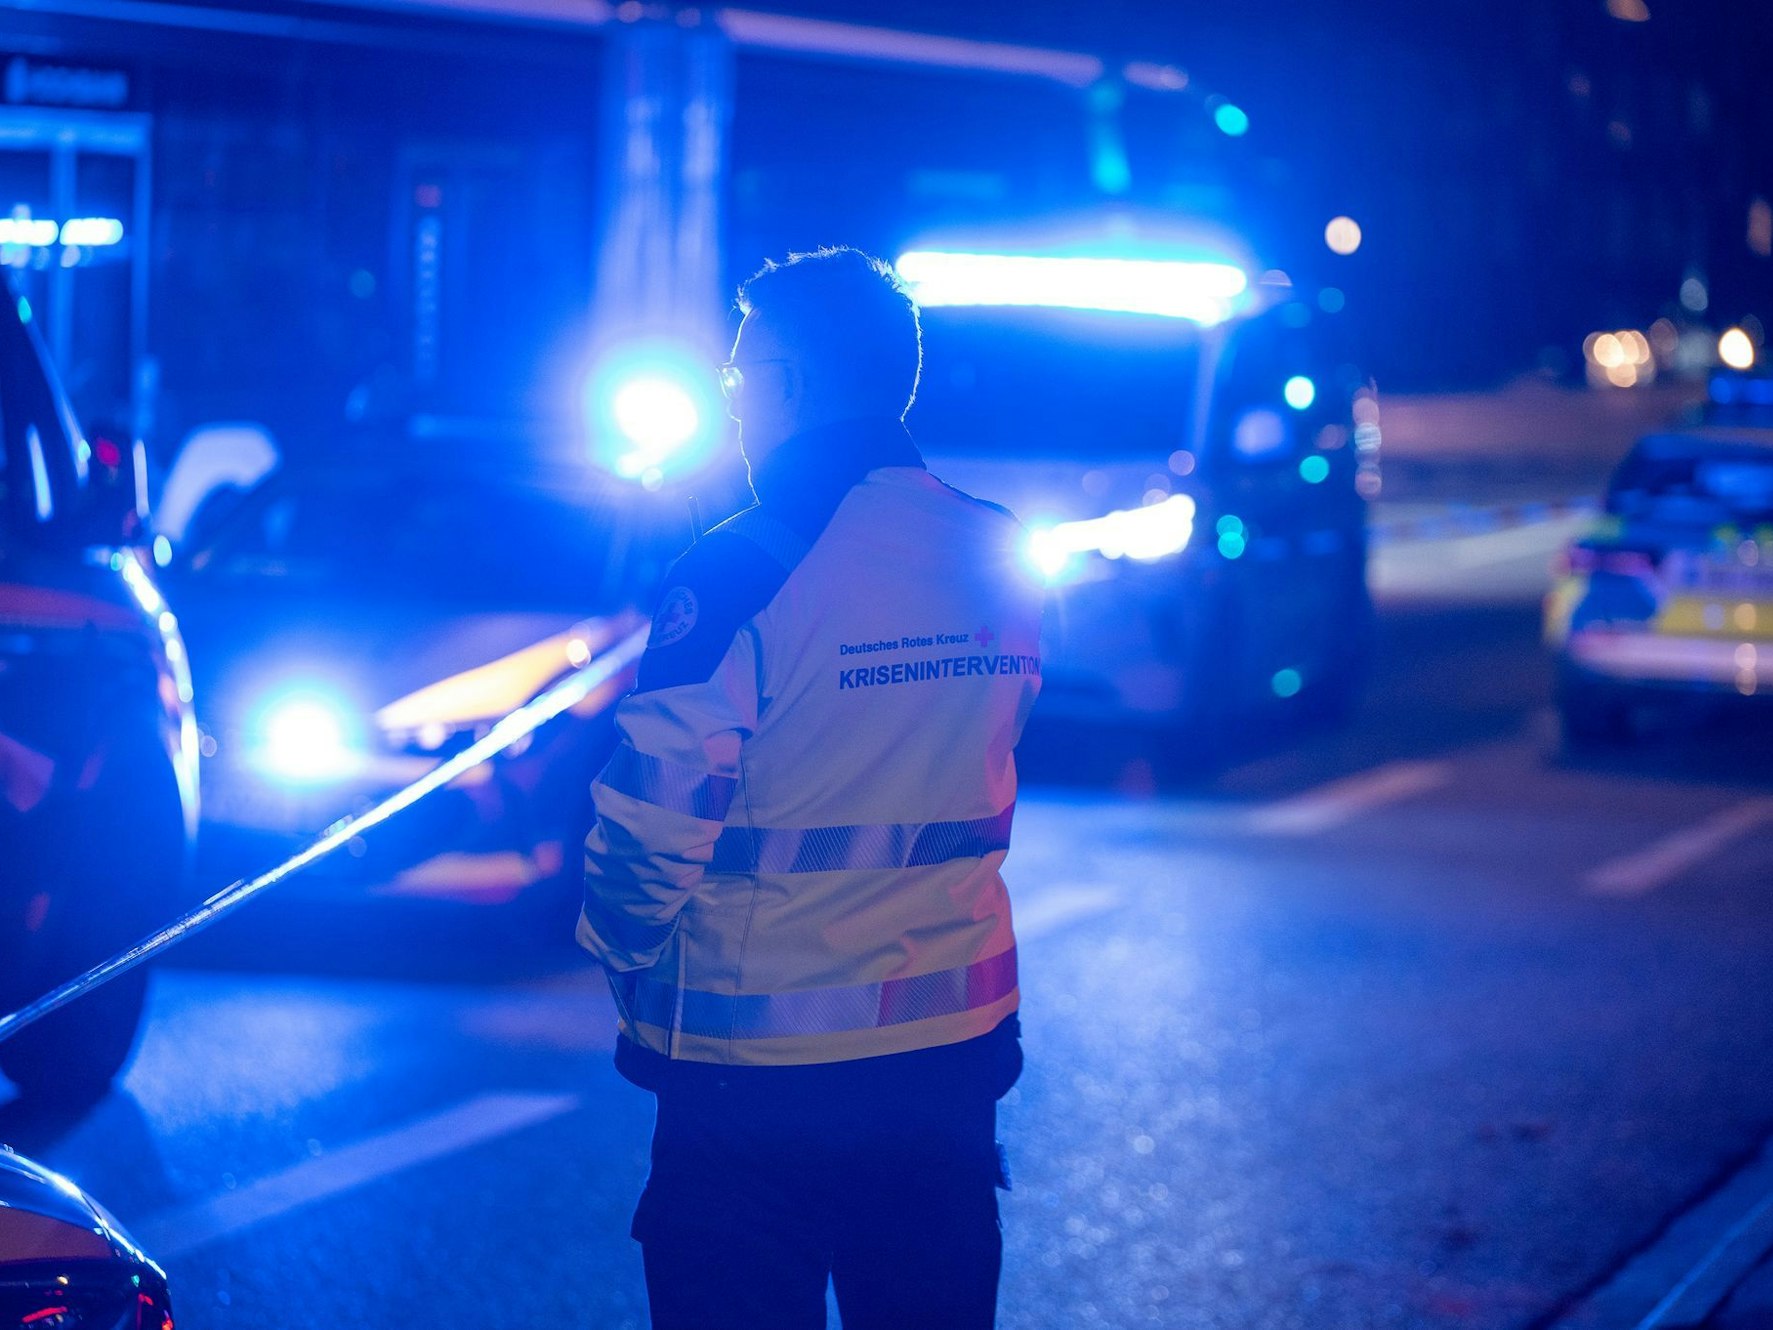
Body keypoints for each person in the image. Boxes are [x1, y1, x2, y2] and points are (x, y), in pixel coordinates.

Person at [578, 246, 1043, 1330]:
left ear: (786, 385)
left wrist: (620, 950)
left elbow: (651, 822)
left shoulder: (739, 571)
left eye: (739, 379)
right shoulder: (999, 550)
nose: (733, 405)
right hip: (948, 1067)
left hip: (756, 1085)